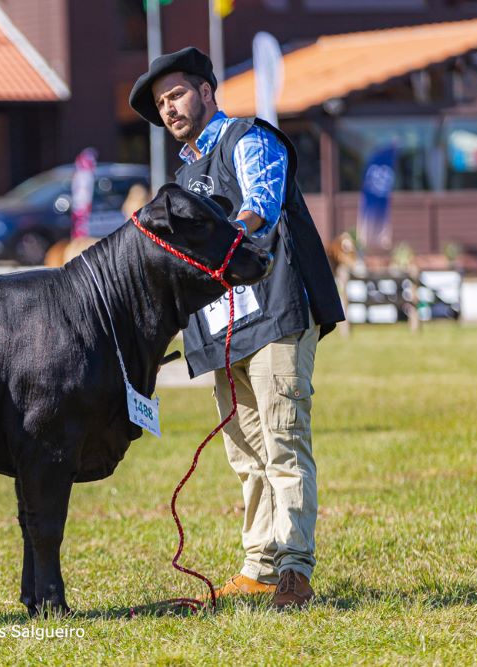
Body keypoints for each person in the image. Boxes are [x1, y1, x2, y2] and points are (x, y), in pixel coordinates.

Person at [129, 47, 345, 609]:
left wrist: (220, 237)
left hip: (274, 311)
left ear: (206, 91)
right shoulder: (182, 177)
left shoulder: (249, 138)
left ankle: (295, 571)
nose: (169, 108)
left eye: (175, 93)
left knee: (283, 440)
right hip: (221, 327)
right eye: (160, 104)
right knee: (245, 453)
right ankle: (259, 566)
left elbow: (262, 207)